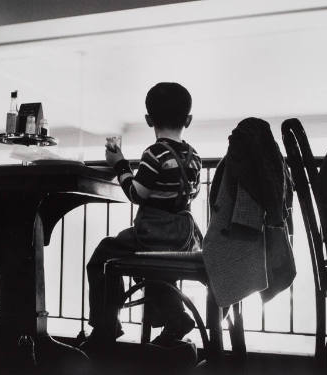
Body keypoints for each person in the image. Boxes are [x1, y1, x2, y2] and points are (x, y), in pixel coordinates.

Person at [84, 82, 202, 350]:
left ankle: (106, 325)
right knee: (157, 270)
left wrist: (120, 165)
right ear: (189, 120)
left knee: (103, 254)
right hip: (183, 236)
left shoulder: (154, 154)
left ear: (149, 120)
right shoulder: (193, 156)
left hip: (154, 233)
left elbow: (137, 194)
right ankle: (175, 318)